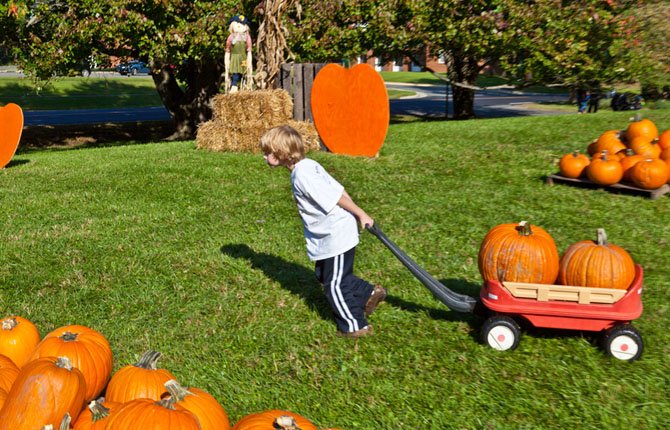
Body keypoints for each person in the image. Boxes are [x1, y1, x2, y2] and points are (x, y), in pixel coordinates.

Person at [260, 125, 387, 338]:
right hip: (331, 233)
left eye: (267, 153)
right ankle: (369, 293)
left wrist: (360, 214)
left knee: (334, 285)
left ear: (281, 153)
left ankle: (355, 326)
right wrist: (356, 213)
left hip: (336, 234)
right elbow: (339, 189)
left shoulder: (303, 175)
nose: (264, 157)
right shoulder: (309, 165)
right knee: (324, 274)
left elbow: (335, 197)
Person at [225, 14, 253, 93]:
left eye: (242, 24)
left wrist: (249, 58)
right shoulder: (231, 37)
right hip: (234, 58)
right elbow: (228, 49)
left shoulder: (246, 37)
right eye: (237, 24)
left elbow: (249, 48)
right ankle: (234, 85)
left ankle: (241, 87)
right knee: (235, 72)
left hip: (243, 58)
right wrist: (227, 59)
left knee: (243, 72)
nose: (239, 26)